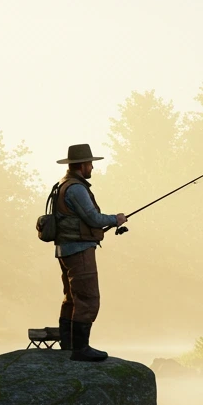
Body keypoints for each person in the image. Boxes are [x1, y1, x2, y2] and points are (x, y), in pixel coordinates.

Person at [53, 144, 126, 362]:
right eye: (90, 164)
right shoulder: (76, 188)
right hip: (79, 249)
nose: (92, 167)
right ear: (83, 165)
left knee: (71, 298)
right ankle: (80, 349)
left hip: (64, 249)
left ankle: (68, 343)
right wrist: (116, 219)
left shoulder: (62, 184)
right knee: (87, 297)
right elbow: (93, 218)